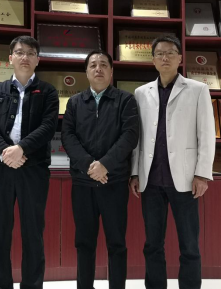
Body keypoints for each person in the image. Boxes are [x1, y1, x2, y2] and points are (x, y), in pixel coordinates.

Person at [130, 35, 216, 289]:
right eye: (159, 53)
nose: (165, 57)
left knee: (189, 244)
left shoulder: (197, 89)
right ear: (153, 60)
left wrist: (202, 174)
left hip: (186, 179)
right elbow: (137, 138)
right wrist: (134, 173)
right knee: (152, 244)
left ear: (180, 58)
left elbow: (206, 134)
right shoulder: (141, 93)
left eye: (170, 53)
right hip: (151, 179)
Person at [0, 36, 60, 289]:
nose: (24, 57)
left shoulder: (48, 92)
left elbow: (48, 127)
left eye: (30, 53)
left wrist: (21, 149)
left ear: (38, 60)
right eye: (19, 52)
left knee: (33, 232)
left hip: (34, 169)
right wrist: (5, 152)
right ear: (10, 58)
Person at [62, 50, 140, 289]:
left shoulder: (125, 100)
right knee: (84, 242)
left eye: (104, 64)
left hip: (113, 182)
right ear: (86, 72)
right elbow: (68, 137)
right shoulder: (75, 102)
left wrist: (104, 164)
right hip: (83, 183)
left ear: (111, 71)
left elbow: (130, 136)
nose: (98, 69)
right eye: (93, 65)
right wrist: (89, 166)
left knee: (117, 243)